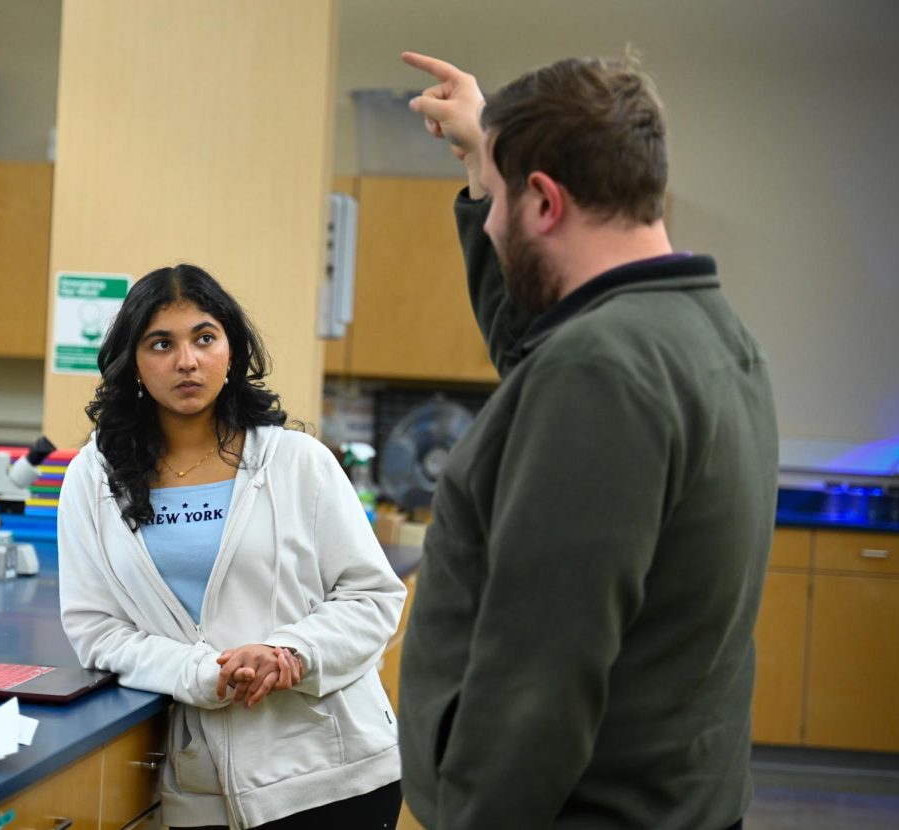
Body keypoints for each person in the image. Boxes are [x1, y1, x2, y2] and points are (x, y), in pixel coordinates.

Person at [395, 51, 779, 829]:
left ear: (545, 201)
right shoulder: (707, 334)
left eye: (498, 202)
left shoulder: (600, 373)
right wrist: (483, 159)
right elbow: (537, 351)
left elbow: (538, 678)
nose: (488, 222)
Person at [58, 263, 406, 830]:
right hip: (203, 785)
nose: (187, 361)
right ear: (134, 364)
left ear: (231, 352)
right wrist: (199, 672)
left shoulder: (298, 462)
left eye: (204, 338)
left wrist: (290, 652)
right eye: (161, 343)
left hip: (330, 772)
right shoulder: (93, 478)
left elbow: (372, 597)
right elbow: (97, 631)